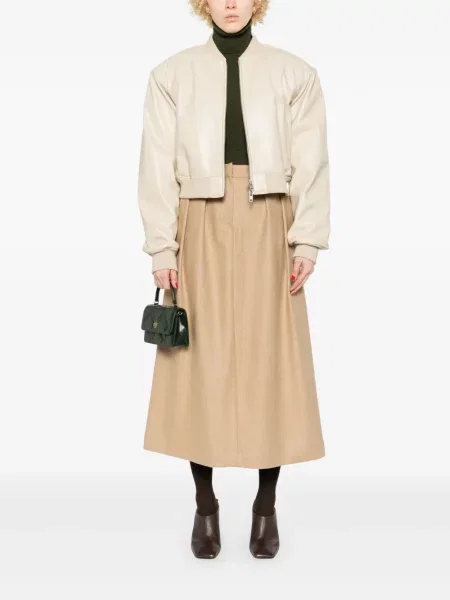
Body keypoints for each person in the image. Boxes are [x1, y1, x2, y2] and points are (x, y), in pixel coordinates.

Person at [137, 0, 330, 559]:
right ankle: (205, 504)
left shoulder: (295, 74)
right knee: (199, 364)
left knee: (274, 363)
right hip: (197, 221)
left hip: (271, 220)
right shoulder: (171, 75)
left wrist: (307, 239)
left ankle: (266, 506)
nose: (230, 3)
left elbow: (312, 161)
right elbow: (155, 166)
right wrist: (162, 245)